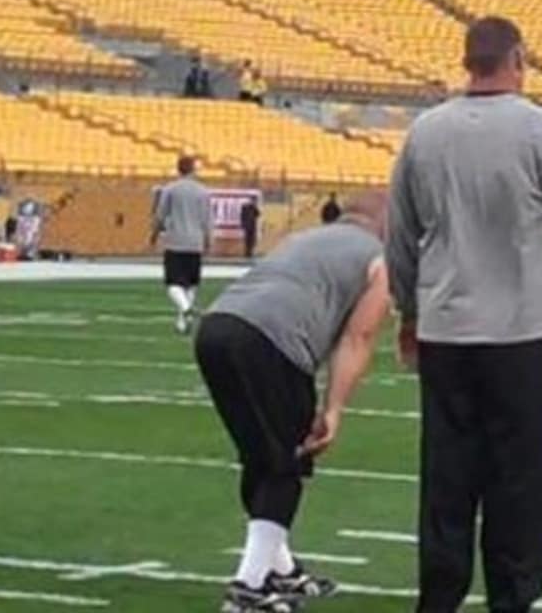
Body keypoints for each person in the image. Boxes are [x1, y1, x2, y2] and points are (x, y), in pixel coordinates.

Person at [387, 16, 542, 613]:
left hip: (445, 330)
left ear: (468, 61)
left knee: (447, 481)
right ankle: (511, 600)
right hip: (520, 335)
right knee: (521, 485)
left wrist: (409, 314)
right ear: (519, 59)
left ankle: (438, 599)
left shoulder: (424, 133)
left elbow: (401, 238)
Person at [195, 191, 391, 613]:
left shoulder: (305, 238)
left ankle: (281, 570)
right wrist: (333, 409)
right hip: (271, 341)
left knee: (261, 458)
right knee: (286, 464)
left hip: (216, 327)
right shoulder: (378, 258)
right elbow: (358, 339)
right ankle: (247, 588)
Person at [152, 156, 213, 335]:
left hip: (175, 241)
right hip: (195, 242)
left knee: (173, 283)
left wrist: (154, 235)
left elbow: (160, 216)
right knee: (191, 284)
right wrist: (209, 240)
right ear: (193, 170)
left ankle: (186, 310)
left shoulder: (170, 189)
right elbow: (207, 219)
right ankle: (183, 321)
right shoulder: (203, 192)